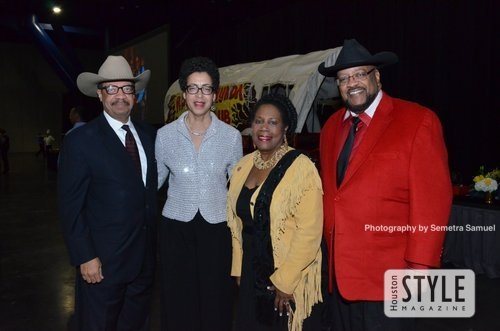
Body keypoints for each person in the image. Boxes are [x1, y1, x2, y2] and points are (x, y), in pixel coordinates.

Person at [318, 39, 452, 331]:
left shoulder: (418, 121)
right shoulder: (330, 128)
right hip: (339, 279)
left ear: (377, 76)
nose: (351, 83)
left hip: (390, 278)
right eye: (343, 78)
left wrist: (419, 270)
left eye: (359, 74)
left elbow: (432, 205)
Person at [58, 55, 158, 331]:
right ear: (100, 95)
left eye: (126, 89)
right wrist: (85, 256)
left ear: (135, 96)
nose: (120, 96)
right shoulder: (80, 141)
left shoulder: (150, 136)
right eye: (111, 89)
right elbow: (71, 207)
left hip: (143, 262)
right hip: (101, 266)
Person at [155, 56, 242, 331]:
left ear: (215, 94)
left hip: (216, 229)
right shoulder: (165, 135)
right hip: (175, 229)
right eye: (193, 88)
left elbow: (236, 187)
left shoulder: (231, 136)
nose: (199, 95)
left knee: (216, 299)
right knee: (179, 299)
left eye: (206, 88)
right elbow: (155, 181)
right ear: (184, 94)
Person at [227, 93, 325, 331]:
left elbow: (309, 232)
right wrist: (239, 269)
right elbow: (237, 225)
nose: (264, 128)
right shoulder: (243, 165)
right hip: (251, 272)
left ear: (285, 128)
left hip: (286, 272)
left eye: (273, 122)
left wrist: (285, 281)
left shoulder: (301, 167)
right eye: (259, 121)